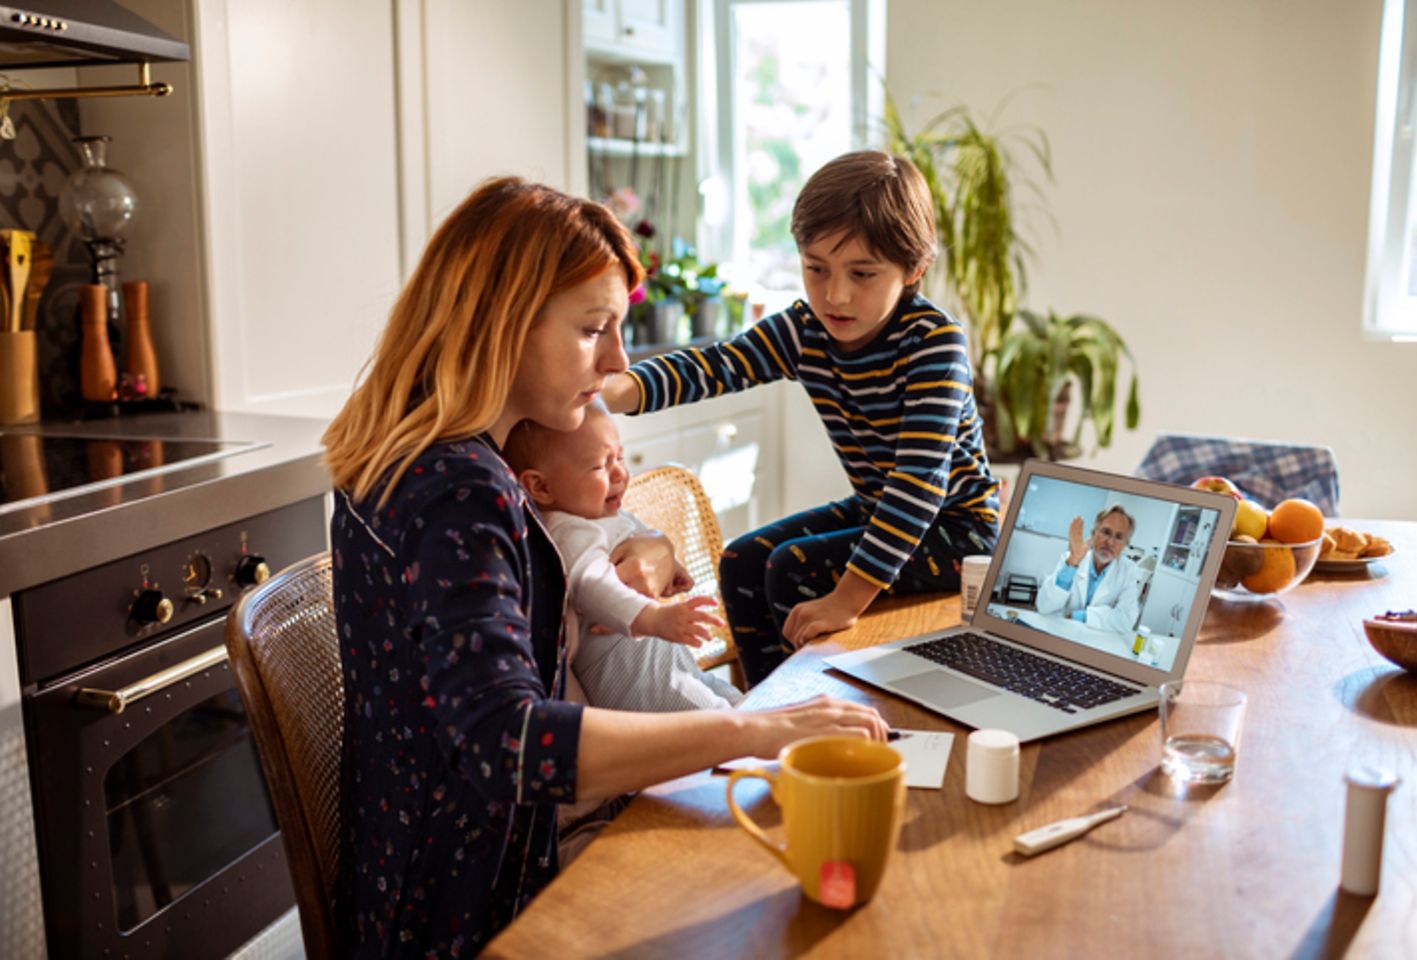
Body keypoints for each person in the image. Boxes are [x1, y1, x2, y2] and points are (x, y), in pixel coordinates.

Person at [322, 176, 886, 957]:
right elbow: (510, 744)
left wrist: (645, 550)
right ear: (503, 324)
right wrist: (755, 729)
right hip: (475, 907)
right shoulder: (459, 491)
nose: (619, 360)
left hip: (414, 872)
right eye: (595, 329)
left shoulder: (417, 457)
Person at [603, 150, 1000, 686]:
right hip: (878, 509)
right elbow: (715, 365)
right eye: (816, 268)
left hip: (960, 532)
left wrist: (848, 599)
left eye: (862, 274)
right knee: (743, 560)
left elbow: (917, 489)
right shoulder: (804, 329)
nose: (835, 295)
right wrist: (610, 391)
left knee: (791, 567)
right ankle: (765, 705)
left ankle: (806, 706)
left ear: (914, 270)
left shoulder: (933, 344)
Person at [502, 402, 741, 712]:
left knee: (741, 703)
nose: (620, 473)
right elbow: (592, 583)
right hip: (629, 676)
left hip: (665, 665)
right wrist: (653, 617)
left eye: (620, 457)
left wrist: (671, 567)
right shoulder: (566, 530)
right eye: (601, 465)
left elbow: (635, 533)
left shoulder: (600, 513)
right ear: (541, 486)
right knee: (722, 723)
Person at [1035, 506, 1142, 632]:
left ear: (1125, 544)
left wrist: (1079, 616)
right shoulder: (1070, 558)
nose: (1110, 542)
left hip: (1097, 640)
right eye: (1106, 532)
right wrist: (1073, 562)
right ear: (1093, 533)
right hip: (1060, 632)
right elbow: (1043, 607)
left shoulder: (1128, 570)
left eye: (1119, 537)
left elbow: (1126, 619)